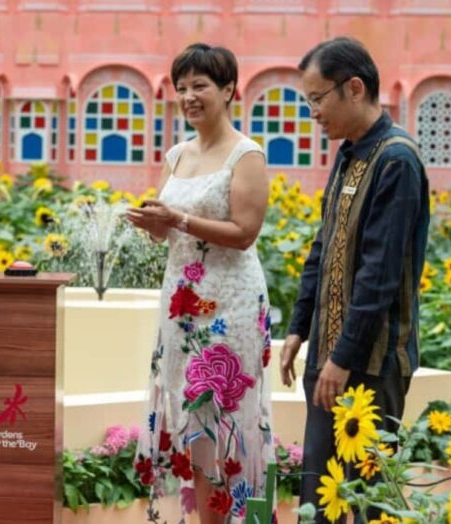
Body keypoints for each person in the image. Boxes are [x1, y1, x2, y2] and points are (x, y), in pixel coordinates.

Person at [278, 37, 429, 523]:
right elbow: (324, 248)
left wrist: (343, 358)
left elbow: (379, 276)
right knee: (319, 501)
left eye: (318, 100)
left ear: (355, 88)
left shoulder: (396, 160)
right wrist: (300, 326)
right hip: (329, 357)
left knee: (364, 503)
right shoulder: (350, 154)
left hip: (370, 364)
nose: (314, 113)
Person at [126, 43, 274, 523]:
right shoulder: (176, 154)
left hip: (228, 302)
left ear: (229, 89)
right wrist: (155, 226)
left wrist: (180, 220)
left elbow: (245, 232)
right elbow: (170, 226)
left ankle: (239, 518)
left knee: (225, 417)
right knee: (190, 417)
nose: (189, 96)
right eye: (182, 87)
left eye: (200, 86)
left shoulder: (247, 155)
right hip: (181, 302)